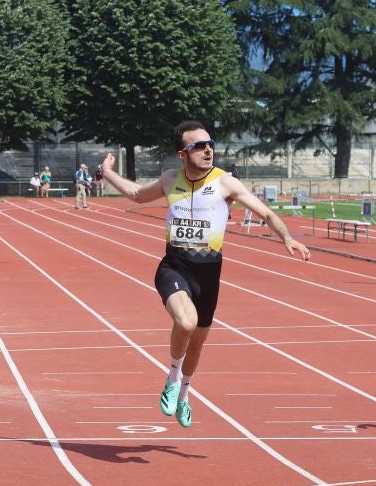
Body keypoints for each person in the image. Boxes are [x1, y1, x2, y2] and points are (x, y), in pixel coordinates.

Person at [100, 120, 311, 427]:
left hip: (209, 275)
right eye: (198, 146)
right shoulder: (171, 179)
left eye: (210, 144)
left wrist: (287, 237)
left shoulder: (226, 183)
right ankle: (172, 380)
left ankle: (184, 394)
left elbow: (265, 212)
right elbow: (135, 193)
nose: (207, 149)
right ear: (182, 154)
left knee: (197, 343)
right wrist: (106, 172)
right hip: (174, 266)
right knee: (186, 322)